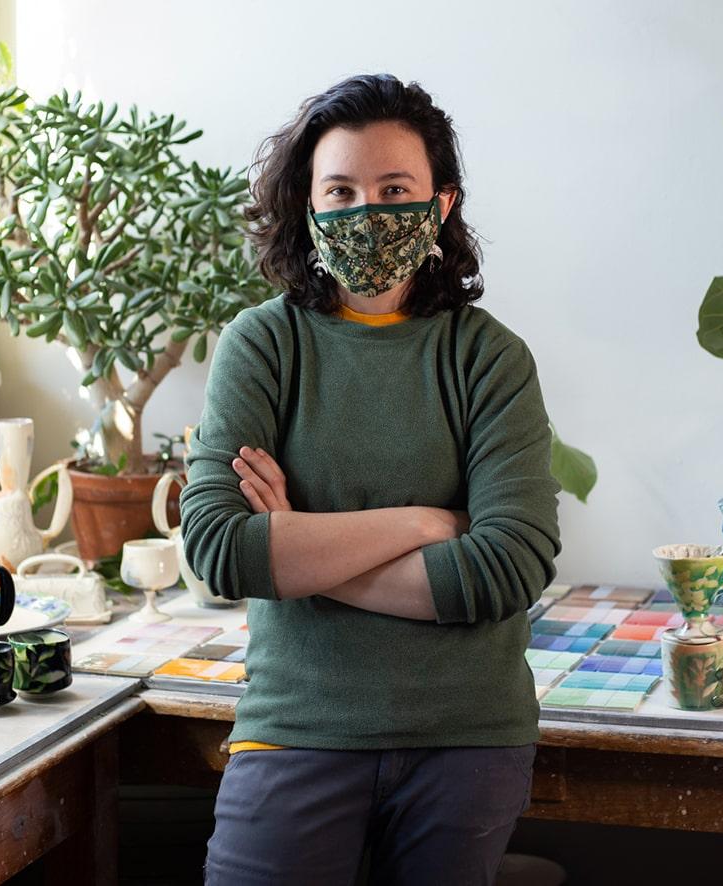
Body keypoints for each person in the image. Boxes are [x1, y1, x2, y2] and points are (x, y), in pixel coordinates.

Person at [179, 72, 563, 886]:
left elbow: (508, 568)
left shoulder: (487, 358)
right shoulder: (262, 345)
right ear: (308, 207)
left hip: (468, 737)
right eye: (341, 190)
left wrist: (300, 553)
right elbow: (219, 549)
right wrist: (426, 523)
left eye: (394, 189)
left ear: (440, 206)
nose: (366, 212)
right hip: (296, 728)